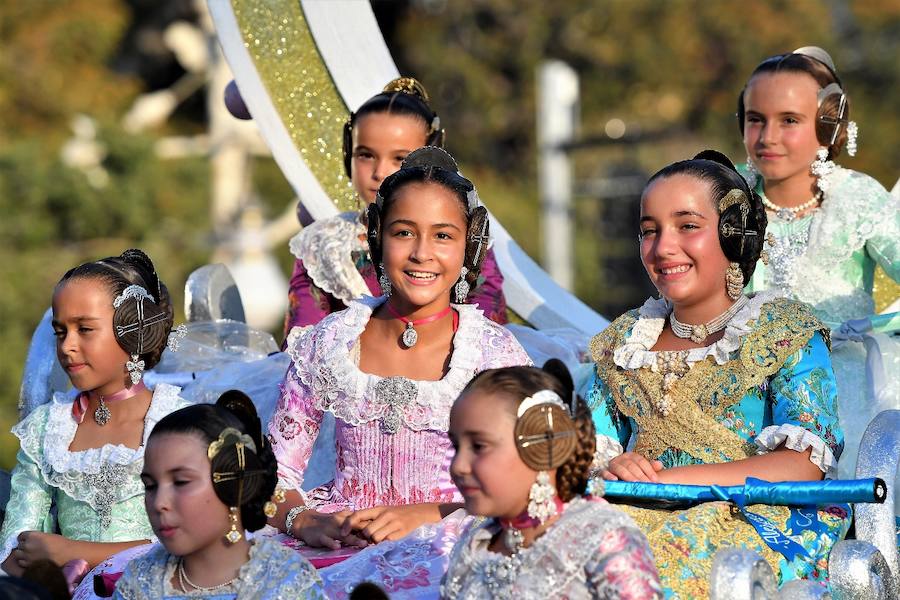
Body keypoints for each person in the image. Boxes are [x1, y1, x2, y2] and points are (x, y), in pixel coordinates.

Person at [268, 147, 530, 597]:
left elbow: (528, 479)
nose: (422, 253)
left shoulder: (493, 353)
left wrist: (430, 515)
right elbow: (272, 474)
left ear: (469, 244)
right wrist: (305, 520)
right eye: (404, 232)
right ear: (377, 238)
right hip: (332, 542)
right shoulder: (328, 342)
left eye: (443, 236)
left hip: (453, 544)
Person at [588, 151, 849, 596]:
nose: (663, 246)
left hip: (752, 517)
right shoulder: (622, 342)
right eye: (649, 231)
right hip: (629, 510)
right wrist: (613, 465)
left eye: (687, 226)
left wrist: (665, 482)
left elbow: (805, 463)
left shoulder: (783, 331)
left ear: (734, 235)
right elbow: (584, 450)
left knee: (658, 562)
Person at [737, 46, 900, 481]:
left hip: (839, 384)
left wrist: (870, 327)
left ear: (828, 127)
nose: (767, 136)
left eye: (789, 120)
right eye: (756, 119)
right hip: (739, 381)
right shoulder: (724, 193)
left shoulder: (858, 200)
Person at [1, 250, 189, 580]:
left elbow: (192, 542)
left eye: (84, 329)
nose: (67, 346)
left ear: (135, 331)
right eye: (60, 332)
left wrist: (74, 552)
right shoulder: (47, 428)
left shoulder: (179, 424)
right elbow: (19, 538)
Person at [284, 77, 508, 334]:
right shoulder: (321, 244)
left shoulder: (466, 237)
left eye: (400, 158)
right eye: (366, 155)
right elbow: (302, 342)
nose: (380, 172)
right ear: (348, 155)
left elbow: (486, 328)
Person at [442, 361, 662, 599]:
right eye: (456, 446)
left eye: (479, 446)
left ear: (545, 445)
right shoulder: (477, 544)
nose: (458, 466)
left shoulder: (600, 538)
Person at [110, 391, 323, 599]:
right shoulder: (140, 584)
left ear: (235, 483)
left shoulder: (286, 586)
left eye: (181, 482)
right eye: (150, 486)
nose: (159, 503)